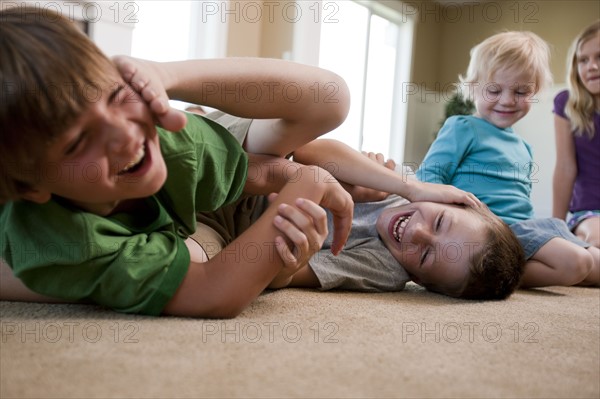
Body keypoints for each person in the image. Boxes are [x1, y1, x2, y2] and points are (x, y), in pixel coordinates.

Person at [0, 7, 478, 317]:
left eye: (117, 93)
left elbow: (257, 170)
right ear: (33, 188)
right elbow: (214, 293)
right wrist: (305, 185)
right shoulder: (68, 237)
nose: (126, 137)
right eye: (77, 142)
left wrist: (162, 76)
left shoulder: (171, 142)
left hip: (192, 211)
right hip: (45, 239)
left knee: (330, 95)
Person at [416, 31, 600, 288]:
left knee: (596, 264)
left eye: (521, 91)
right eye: (494, 90)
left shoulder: (523, 147)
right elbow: (427, 178)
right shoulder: (463, 127)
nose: (507, 100)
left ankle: (503, 267)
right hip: (490, 229)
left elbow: (520, 203)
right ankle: (491, 274)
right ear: (472, 87)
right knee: (576, 262)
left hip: (523, 227)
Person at [269, 139, 525, 300]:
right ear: (451, 199)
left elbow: (287, 275)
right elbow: (306, 152)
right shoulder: (402, 182)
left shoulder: (386, 270)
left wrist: (287, 267)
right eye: (439, 222)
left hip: (253, 227)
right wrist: (397, 186)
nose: (417, 233)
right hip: (265, 168)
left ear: (420, 280)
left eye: (425, 255)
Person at [553, 21, 600, 249]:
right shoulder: (566, 104)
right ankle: (577, 243)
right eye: (583, 60)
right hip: (589, 211)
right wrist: (555, 228)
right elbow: (565, 167)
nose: (592, 66)